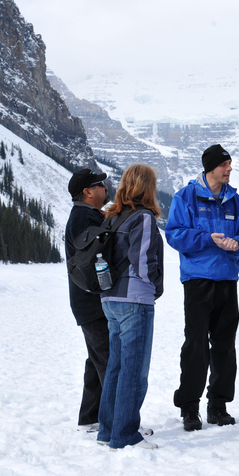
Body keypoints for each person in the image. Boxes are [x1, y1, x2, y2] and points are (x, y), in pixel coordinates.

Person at [165, 144, 239, 431]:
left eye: (230, 164)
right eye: (225, 165)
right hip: (197, 281)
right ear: (211, 167)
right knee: (195, 346)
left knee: (225, 347)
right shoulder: (186, 197)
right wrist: (209, 239)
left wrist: (237, 244)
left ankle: (218, 405)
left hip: (228, 281)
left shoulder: (237, 202)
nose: (229, 169)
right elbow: (175, 235)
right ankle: (190, 408)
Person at [95, 164, 164, 450]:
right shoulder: (143, 217)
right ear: (148, 187)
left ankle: (108, 430)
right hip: (135, 299)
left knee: (116, 366)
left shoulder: (112, 216)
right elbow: (144, 260)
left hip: (109, 298)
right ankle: (124, 435)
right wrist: (156, 287)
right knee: (133, 371)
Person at [64, 168, 111, 432]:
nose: (106, 188)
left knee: (96, 359)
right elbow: (94, 255)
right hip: (92, 302)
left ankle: (90, 418)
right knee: (108, 360)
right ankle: (115, 423)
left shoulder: (87, 216)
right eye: (101, 185)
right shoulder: (83, 218)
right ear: (87, 192)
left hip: (87, 302)